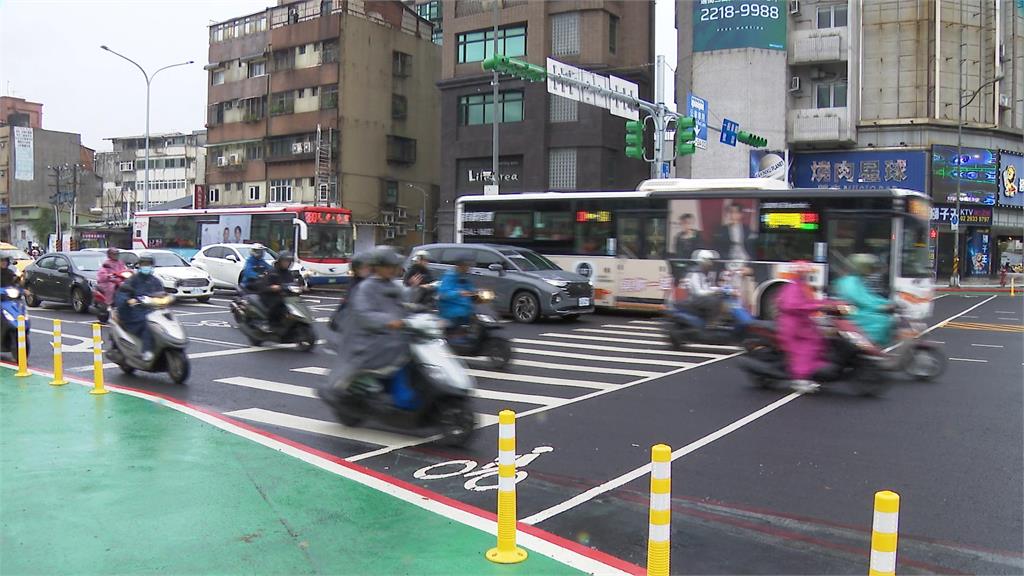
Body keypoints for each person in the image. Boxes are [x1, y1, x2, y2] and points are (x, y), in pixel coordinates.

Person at [323, 247, 416, 410]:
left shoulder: (391, 284)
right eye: (389, 266)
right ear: (378, 267)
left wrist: (416, 305)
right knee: (399, 373)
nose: (393, 269)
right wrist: (389, 321)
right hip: (374, 340)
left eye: (394, 266)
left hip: (391, 336)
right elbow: (364, 313)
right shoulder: (366, 287)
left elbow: (404, 302)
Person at [776, 261, 833, 393]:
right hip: (794, 325)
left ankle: (811, 374)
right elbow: (792, 305)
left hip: (802, 323)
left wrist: (832, 303)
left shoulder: (800, 286)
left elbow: (810, 301)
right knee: (806, 347)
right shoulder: (793, 287)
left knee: (819, 339)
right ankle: (800, 380)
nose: (806, 275)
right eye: (805, 272)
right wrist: (818, 306)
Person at [833, 253, 894, 346]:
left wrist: (886, 302)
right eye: (870, 267)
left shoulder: (857, 280)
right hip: (853, 311)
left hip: (858, 309)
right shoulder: (850, 282)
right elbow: (861, 300)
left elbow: (869, 297)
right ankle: (875, 345)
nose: (872, 270)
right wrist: (880, 307)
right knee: (881, 320)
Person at [115, 254, 165, 363]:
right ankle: (146, 351)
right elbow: (122, 294)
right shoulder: (133, 280)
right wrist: (128, 300)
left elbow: (162, 294)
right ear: (140, 266)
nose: (146, 267)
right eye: (144, 264)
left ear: (152, 266)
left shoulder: (156, 281)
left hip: (153, 310)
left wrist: (167, 298)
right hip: (135, 312)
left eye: (148, 264)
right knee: (149, 324)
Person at [252, 251, 296, 332]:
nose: (287, 263)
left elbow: (292, 284)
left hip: (283, 295)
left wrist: (301, 287)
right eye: (285, 261)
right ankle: (269, 323)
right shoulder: (272, 272)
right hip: (269, 295)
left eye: (289, 261)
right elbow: (263, 286)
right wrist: (272, 287)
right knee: (277, 303)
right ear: (280, 261)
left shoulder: (288, 273)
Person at [437, 252, 476, 330]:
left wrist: (475, 292)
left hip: (464, 308)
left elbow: (469, 288)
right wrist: (458, 293)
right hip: (451, 310)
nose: (469, 268)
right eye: (467, 265)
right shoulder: (450, 276)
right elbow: (443, 294)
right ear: (460, 265)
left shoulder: (464, 276)